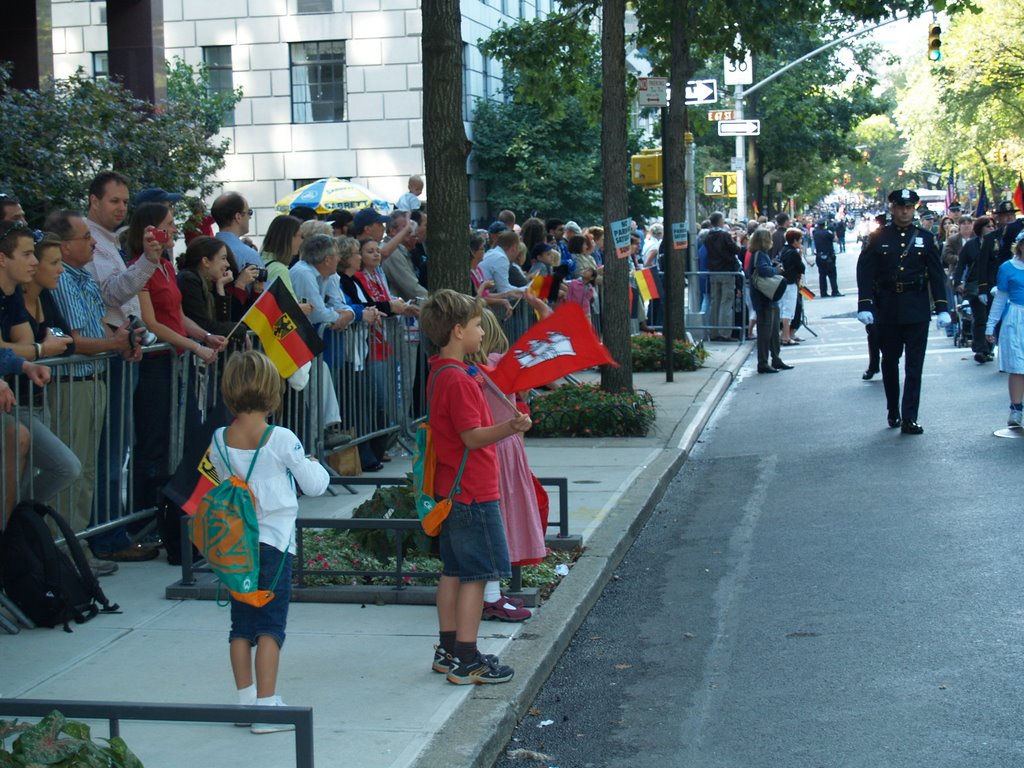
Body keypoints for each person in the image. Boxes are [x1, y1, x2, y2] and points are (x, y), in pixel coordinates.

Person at [211, 350, 329, 734]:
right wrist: (311, 463)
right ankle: (267, 706)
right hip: (274, 546)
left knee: (240, 627)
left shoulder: (219, 439)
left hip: (236, 549)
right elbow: (313, 485)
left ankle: (245, 703)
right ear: (272, 390)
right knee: (270, 628)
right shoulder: (280, 438)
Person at [419, 289, 531, 684]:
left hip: (452, 491)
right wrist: (511, 426)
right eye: (478, 325)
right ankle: (467, 657)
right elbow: (472, 436)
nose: (483, 332)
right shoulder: (460, 381)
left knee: (453, 570)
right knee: (476, 574)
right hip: (473, 491)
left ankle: (448, 649)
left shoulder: (442, 372)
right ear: (456, 330)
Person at [127, 202, 225, 513]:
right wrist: (196, 346)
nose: (173, 229)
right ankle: (147, 511)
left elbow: (178, 316)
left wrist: (205, 336)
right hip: (155, 366)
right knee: (153, 440)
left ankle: (166, 509)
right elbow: (152, 321)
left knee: (174, 438)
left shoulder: (168, 266)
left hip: (174, 361)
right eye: (168, 223)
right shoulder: (138, 267)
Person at [465, 309, 543, 623]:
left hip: (489, 447)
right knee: (502, 517)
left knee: (493, 517)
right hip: (506, 448)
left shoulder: (471, 372)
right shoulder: (501, 367)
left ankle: (491, 593)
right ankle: (491, 596)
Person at [0, 220, 81, 515]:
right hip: (14, 404)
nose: (33, 261)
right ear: (2, 259)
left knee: (64, 467)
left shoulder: (12, 296)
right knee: (64, 465)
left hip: (25, 400)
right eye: (26, 254)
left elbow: (29, 344)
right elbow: (27, 347)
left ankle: (16, 526)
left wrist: (24, 361)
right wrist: (36, 352)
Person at [856, 188, 949, 434]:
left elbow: (936, 275)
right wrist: (865, 303)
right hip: (888, 307)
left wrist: (942, 307)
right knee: (890, 361)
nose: (905, 211)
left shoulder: (925, 238)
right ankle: (892, 409)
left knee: (914, 365)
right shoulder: (878, 237)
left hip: (916, 306)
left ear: (914, 208)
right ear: (893, 208)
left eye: (909, 207)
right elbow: (865, 271)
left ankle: (910, 416)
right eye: (900, 207)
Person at [985, 231, 1024, 427]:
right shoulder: (1007, 268)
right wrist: (990, 326)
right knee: (1018, 366)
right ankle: (1016, 409)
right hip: (1016, 319)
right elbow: (1000, 299)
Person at [747, 227, 792, 373]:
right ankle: (764, 362)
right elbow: (764, 271)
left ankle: (775, 359)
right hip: (764, 297)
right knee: (766, 332)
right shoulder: (760, 254)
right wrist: (776, 270)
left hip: (768, 297)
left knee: (772, 331)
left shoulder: (759, 254)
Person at [704, 212, 744, 340]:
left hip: (714, 271)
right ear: (720, 221)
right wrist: (737, 240)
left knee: (715, 301)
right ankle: (725, 333)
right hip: (726, 271)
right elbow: (736, 250)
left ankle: (714, 332)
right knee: (726, 302)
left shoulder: (708, 236)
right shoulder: (724, 235)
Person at [212, 192, 261, 269]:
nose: (249, 218)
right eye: (249, 212)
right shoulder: (249, 255)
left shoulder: (205, 252)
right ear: (238, 217)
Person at [260, 214, 303, 295]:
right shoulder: (280, 270)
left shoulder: (261, 259)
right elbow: (288, 306)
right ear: (289, 238)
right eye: (300, 236)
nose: (302, 241)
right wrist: (300, 307)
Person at [778, 228, 806, 345]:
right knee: (788, 310)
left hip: (785, 282)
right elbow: (802, 268)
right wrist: (800, 255)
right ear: (794, 240)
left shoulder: (784, 250)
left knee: (785, 309)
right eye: (800, 240)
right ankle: (786, 336)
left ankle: (786, 334)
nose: (801, 242)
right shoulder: (793, 253)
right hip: (791, 283)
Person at [812, 219, 841, 297]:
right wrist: (834, 233)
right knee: (832, 274)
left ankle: (823, 292)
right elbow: (835, 240)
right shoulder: (827, 232)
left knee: (822, 275)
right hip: (829, 257)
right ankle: (835, 291)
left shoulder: (815, 233)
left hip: (819, 256)